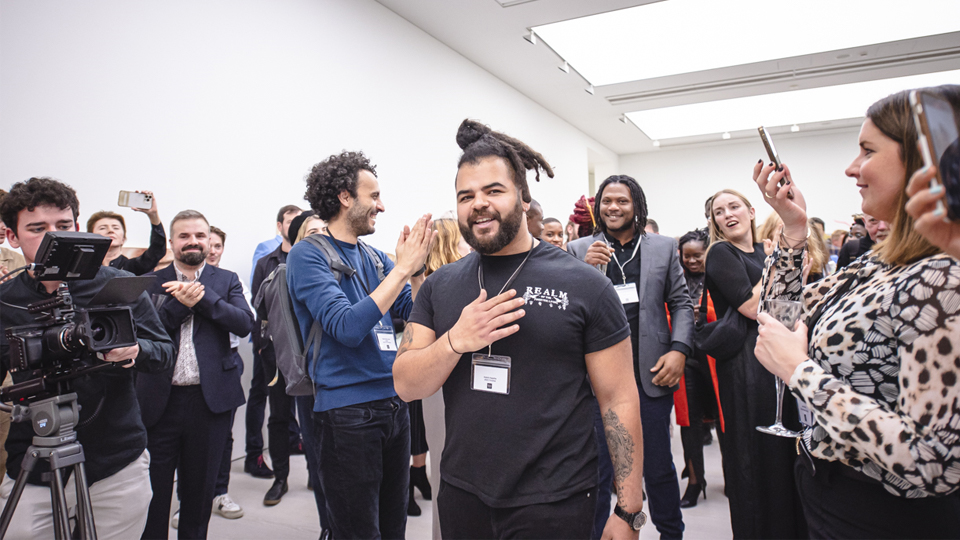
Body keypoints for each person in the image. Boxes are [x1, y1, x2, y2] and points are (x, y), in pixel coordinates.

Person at [393, 119, 645, 540]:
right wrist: (456, 340)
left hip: (555, 500)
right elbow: (405, 383)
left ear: (524, 199)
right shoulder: (441, 285)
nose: (479, 204)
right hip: (462, 493)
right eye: (466, 195)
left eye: (494, 191)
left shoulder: (585, 285)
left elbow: (618, 398)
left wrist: (628, 508)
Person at [753, 85, 960, 538]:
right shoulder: (884, 258)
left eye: (867, 151)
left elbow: (935, 463)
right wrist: (792, 228)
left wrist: (801, 374)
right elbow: (780, 318)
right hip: (829, 484)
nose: (852, 168)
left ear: (922, 161)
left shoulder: (943, 277)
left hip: (886, 511)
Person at [0, 177, 175, 539]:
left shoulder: (118, 284)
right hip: (34, 457)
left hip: (117, 457)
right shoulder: (5, 300)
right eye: (37, 228)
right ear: (12, 236)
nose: (54, 238)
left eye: (63, 227)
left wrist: (134, 351)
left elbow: (164, 352)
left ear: (77, 227)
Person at [286, 150, 434, 539]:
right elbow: (346, 327)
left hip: (394, 405)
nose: (381, 206)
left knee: (393, 527)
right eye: (374, 196)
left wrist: (415, 271)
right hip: (346, 414)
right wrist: (401, 268)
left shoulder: (373, 256)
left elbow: (416, 313)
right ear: (345, 197)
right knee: (357, 531)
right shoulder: (308, 254)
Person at [567, 174, 690, 540]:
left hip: (651, 373)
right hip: (598, 380)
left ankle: (671, 533)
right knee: (599, 471)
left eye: (622, 201)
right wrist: (587, 271)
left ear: (637, 204)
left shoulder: (664, 247)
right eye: (606, 201)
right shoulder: (578, 250)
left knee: (658, 467)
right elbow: (572, 311)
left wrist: (679, 350)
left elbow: (681, 303)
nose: (613, 207)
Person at [139, 210, 254, 539]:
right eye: (185, 236)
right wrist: (180, 304)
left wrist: (202, 299)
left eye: (200, 236)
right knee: (154, 496)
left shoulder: (226, 279)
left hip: (209, 404)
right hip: (159, 403)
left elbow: (243, 323)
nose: (193, 242)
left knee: (199, 495)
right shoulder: (150, 282)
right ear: (172, 242)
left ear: (209, 241)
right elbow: (146, 334)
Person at [704, 188, 806, 539]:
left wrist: (781, 264)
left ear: (751, 211)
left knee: (780, 453)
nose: (727, 214)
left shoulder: (763, 253)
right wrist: (781, 263)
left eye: (734, 207)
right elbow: (751, 307)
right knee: (753, 453)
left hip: (775, 356)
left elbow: (786, 307)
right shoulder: (720, 253)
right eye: (719, 211)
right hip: (746, 365)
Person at [405, 218, 465, 517]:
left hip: (443, 387)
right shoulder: (439, 285)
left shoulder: (429, 282)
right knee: (449, 469)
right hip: (445, 386)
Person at [251, 205, 309, 507]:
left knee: (314, 416)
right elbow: (258, 307)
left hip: (313, 355)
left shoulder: (319, 262)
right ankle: (281, 478)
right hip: (277, 356)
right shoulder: (267, 263)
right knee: (279, 416)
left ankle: (316, 473)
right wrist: (264, 347)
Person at [673, 228, 721, 509]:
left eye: (697, 256)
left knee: (725, 422)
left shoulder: (718, 277)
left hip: (716, 355)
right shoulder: (675, 279)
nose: (691, 261)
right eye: (686, 256)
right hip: (687, 356)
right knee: (689, 422)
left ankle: (732, 477)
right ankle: (694, 480)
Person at [87, 190, 166, 275]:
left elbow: (157, 251)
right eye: (102, 228)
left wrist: (153, 215)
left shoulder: (131, 267)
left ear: (123, 238)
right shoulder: (83, 268)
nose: (110, 230)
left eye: (116, 228)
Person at [758, 213, 828, 284]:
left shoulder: (810, 263)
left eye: (796, 230)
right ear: (770, 234)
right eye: (784, 229)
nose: (791, 236)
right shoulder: (760, 261)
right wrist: (773, 261)